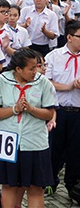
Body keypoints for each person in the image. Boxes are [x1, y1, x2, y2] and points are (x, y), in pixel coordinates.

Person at [0, 48, 55, 208]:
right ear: (18, 69)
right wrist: (15, 109)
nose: (35, 71)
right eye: (31, 68)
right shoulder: (1, 81)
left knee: (35, 188)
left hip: (35, 143)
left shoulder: (43, 82)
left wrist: (32, 109)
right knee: (9, 186)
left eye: (37, 67)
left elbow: (49, 113)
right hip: (8, 143)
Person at [45, 21, 80, 198]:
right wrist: (68, 87)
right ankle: (49, 181)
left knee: (75, 151)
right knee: (54, 148)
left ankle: (73, 186)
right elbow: (46, 81)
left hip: (78, 111)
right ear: (69, 37)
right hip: (58, 111)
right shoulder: (54, 56)